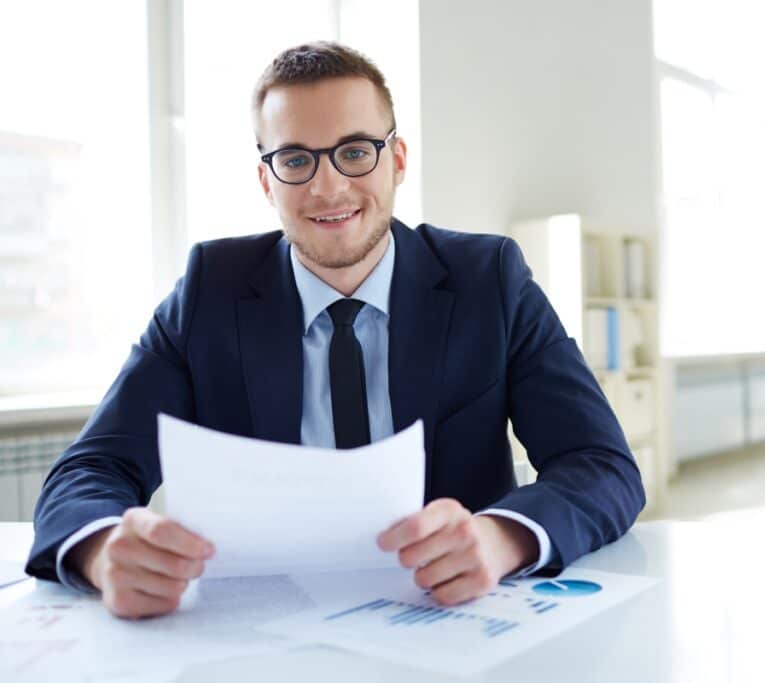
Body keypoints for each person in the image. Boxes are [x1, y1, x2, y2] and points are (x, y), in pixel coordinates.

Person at [25, 41, 644, 618]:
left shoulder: (489, 279)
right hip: (263, 623)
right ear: (267, 180)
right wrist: (101, 550)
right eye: (295, 158)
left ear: (396, 161)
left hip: (448, 619)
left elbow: (600, 464)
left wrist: (503, 535)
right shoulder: (210, 289)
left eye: (355, 151)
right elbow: (93, 468)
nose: (328, 186)